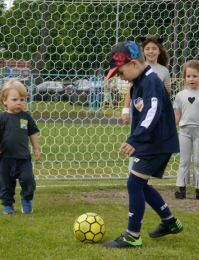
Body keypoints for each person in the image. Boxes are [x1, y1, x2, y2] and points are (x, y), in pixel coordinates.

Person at [103, 41, 183, 248]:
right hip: (152, 143)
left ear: (134, 65)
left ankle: (133, 235)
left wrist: (135, 139)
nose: (120, 77)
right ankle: (170, 222)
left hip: (156, 143)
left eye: (120, 72)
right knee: (140, 184)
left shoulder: (151, 82)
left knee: (134, 184)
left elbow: (152, 112)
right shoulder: (139, 82)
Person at [0, 79, 40, 215]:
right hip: (5, 158)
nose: (19, 103)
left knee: (28, 179)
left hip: (23, 158)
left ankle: (27, 200)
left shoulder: (26, 117)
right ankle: (8, 204)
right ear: (4, 101)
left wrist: (36, 149)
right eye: (15, 99)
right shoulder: (1, 118)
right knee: (5, 183)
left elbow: (33, 134)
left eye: (22, 100)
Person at [122, 35, 171, 172]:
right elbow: (131, 90)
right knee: (137, 139)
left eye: (154, 48)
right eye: (147, 48)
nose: (151, 51)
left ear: (159, 51)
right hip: (139, 110)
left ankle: (144, 176)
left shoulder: (164, 71)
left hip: (154, 114)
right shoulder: (138, 67)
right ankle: (134, 173)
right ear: (143, 51)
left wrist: (168, 90)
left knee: (151, 143)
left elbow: (164, 95)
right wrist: (125, 111)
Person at [173, 60, 199, 200]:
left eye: (195, 76)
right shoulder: (180, 95)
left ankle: (198, 189)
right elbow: (178, 114)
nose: (191, 79)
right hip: (184, 132)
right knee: (184, 160)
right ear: (184, 78)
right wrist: (172, 128)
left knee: (198, 161)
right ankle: (181, 189)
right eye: (188, 76)